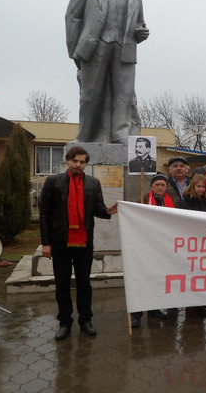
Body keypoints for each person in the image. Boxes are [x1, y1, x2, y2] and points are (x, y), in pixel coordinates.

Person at [39, 146, 118, 341]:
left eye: (82, 162)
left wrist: (108, 211)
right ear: (67, 160)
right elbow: (44, 215)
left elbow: (97, 209)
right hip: (60, 242)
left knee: (84, 284)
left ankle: (86, 320)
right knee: (62, 284)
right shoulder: (53, 182)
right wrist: (46, 243)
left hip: (84, 242)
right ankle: (65, 322)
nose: (78, 165)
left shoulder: (93, 183)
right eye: (75, 161)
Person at [65, 0, 149, 143]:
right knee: (90, 93)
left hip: (125, 47)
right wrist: (74, 51)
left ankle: (121, 133)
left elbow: (139, 24)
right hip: (95, 46)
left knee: (124, 93)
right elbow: (72, 16)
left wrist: (141, 32)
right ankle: (85, 134)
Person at [131, 173, 173, 327]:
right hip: (145, 246)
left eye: (163, 185)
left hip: (162, 247)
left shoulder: (170, 201)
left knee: (157, 279)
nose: (160, 188)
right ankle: (136, 314)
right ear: (151, 187)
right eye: (157, 185)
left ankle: (154, 309)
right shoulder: (142, 201)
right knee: (142, 280)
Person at [180, 174, 206, 316]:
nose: (200, 189)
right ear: (193, 186)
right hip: (191, 242)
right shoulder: (186, 202)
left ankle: (202, 303)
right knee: (192, 273)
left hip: (204, 242)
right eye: (198, 186)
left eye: (203, 187)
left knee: (203, 274)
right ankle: (191, 305)